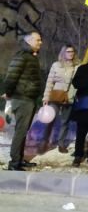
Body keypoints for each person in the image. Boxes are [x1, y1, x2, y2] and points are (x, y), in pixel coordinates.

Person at [3, 31, 43, 171]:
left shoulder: (31, 56)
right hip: (22, 99)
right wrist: (9, 94)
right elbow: (11, 77)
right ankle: (14, 163)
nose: (40, 42)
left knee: (23, 131)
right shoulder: (22, 56)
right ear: (29, 41)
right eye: (38, 40)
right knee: (20, 131)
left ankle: (19, 160)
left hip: (29, 99)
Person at [42, 44, 80, 153]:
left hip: (69, 96)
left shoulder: (77, 66)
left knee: (65, 121)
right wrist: (46, 97)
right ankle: (45, 141)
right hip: (55, 95)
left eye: (72, 51)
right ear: (63, 53)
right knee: (50, 119)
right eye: (68, 51)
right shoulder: (56, 65)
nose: (70, 53)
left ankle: (61, 143)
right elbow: (49, 82)